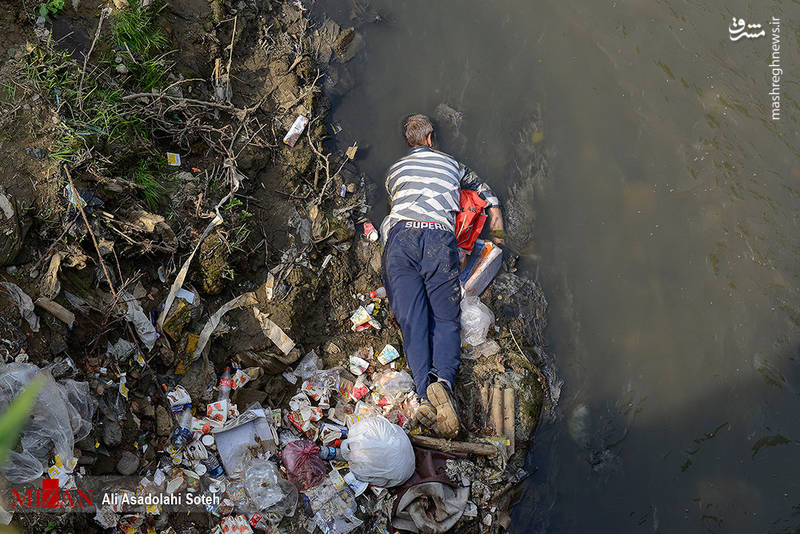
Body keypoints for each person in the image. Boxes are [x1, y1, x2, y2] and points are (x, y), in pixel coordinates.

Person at [380, 114, 504, 438]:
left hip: (402, 240)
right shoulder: (452, 164)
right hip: (438, 238)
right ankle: (444, 383)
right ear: (431, 138)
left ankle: (425, 395)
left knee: (412, 320)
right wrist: (496, 216)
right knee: (445, 318)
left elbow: (394, 203)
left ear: (410, 141)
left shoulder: (394, 171)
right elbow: (482, 189)